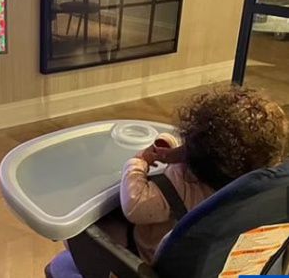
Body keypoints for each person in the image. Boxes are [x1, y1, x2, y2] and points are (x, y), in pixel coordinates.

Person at [98, 86, 289, 265]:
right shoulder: (257, 192)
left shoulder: (178, 184)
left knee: (102, 226)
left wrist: (138, 163)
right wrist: (173, 148)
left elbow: (134, 205)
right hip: (213, 263)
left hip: (151, 260)